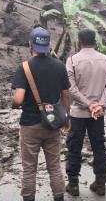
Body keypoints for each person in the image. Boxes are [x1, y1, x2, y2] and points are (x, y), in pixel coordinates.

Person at [11, 26, 71, 201]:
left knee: (29, 168)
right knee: (54, 166)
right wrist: (67, 117)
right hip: (52, 124)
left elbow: (18, 99)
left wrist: (14, 104)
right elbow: (66, 95)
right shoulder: (60, 66)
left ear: (30, 45)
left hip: (30, 125)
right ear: (49, 45)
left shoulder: (24, 68)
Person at [65, 29, 106, 197]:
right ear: (95, 41)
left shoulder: (72, 60)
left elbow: (71, 89)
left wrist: (88, 104)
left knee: (74, 147)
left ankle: (73, 184)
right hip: (98, 114)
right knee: (98, 146)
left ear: (79, 41)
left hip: (78, 113)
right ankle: (100, 183)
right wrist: (99, 105)